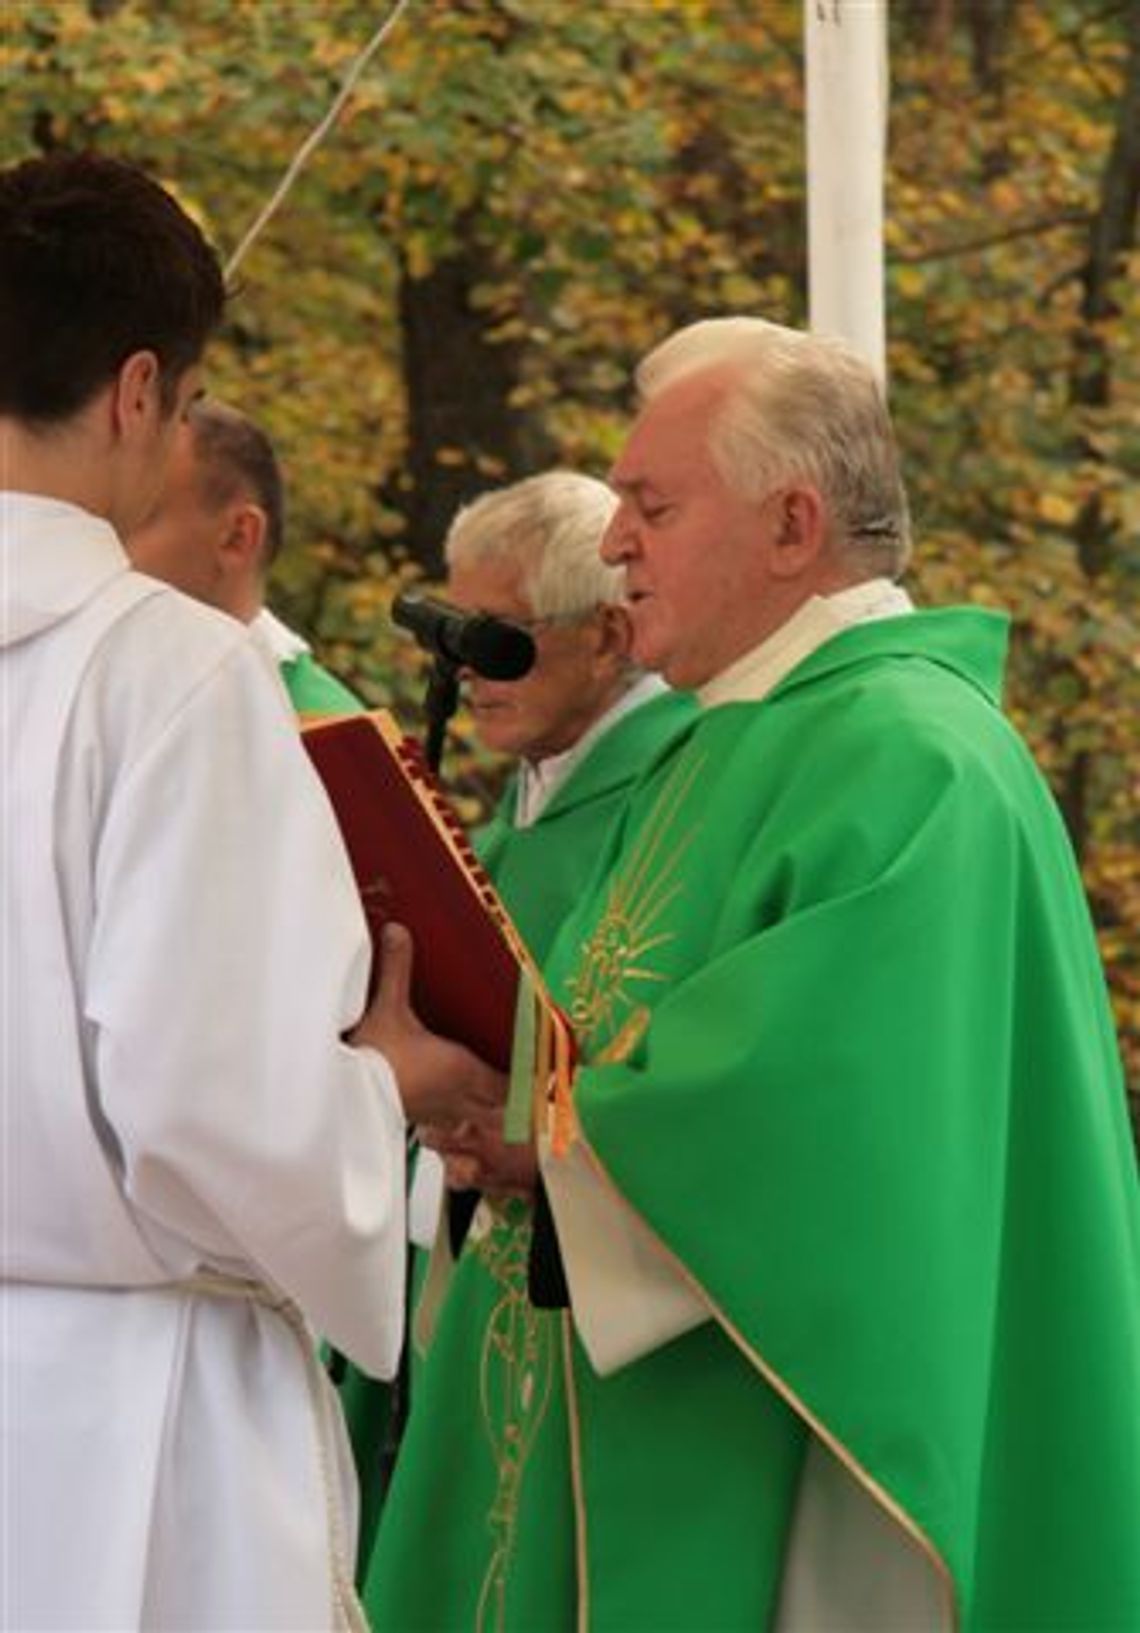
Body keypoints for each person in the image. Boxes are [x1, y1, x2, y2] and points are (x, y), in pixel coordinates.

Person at [365, 317, 1140, 1630]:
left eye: (652, 505)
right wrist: (506, 1109)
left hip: (801, 1475)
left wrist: (517, 1118)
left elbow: (804, 1124)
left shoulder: (905, 752)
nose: (615, 543)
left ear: (791, 525)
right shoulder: (734, 741)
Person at [0, 150, 501, 1632]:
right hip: (138, 1420)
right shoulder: (172, 671)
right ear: (140, 387)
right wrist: (390, 1085)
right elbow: (212, 1103)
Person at [344, 470, 696, 1577]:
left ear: (607, 634)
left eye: (499, 642)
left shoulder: (671, 800)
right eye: (452, 636)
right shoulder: (528, 808)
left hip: (590, 1302)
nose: (464, 676)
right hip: (470, 1250)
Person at [128, 395, 363, 717]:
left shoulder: (334, 742)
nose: (98, 544)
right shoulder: (78, 690)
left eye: (137, 517)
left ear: (238, 537)